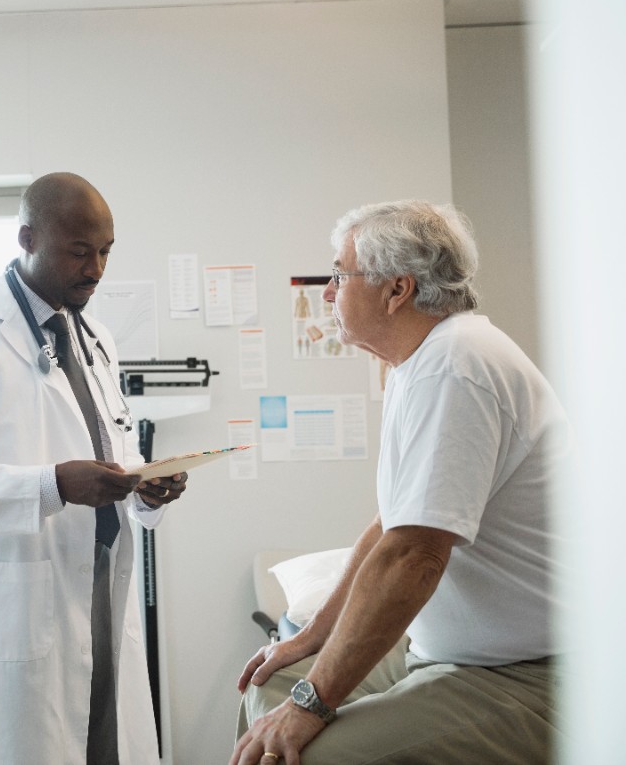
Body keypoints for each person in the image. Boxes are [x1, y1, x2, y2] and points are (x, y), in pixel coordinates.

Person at [231, 200, 568, 765]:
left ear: (397, 291)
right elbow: (392, 523)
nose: (328, 292)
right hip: (453, 652)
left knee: (308, 754)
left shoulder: (456, 365)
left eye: (339, 274)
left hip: (526, 675)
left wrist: (313, 703)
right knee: (273, 681)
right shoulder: (419, 364)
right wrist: (312, 636)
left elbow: (413, 557)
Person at [0, 172, 187, 765]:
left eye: (105, 251)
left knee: (107, 745)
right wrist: (52, 485)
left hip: (100, 589)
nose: (96, 269)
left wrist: (143, 491)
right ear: (27, 238)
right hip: (21, 608)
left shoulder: (95, 337)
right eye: (80, 251)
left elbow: (109, 452)